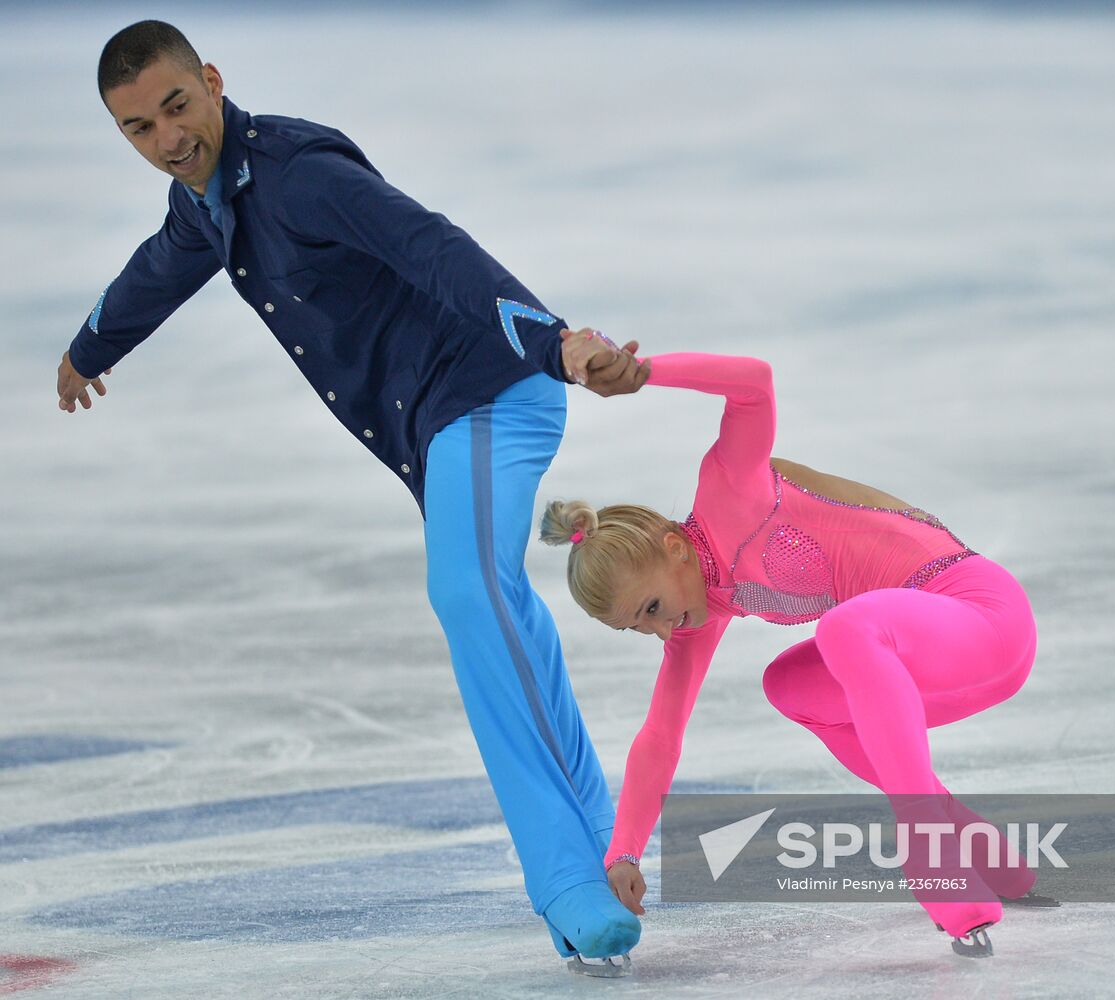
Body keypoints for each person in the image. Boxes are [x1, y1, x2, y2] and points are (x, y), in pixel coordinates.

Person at [56, 20, 651, 975]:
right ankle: (595, 852)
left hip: (490, 390)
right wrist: (90, 347)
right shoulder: (205, 201)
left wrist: (554, 341)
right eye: (137, 128)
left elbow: (434, 248)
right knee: (500, 613)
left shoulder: (299, 173)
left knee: (470, 594)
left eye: (176, 105)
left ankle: (568, 880)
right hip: (442, 428)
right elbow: (161, 267)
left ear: (212, 82)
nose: (167, 137)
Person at [541, 338, 1052, 958]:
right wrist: (622, 851)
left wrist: (646, 373)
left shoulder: (730, 486)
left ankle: (930, 849)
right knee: (791, 684)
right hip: (926, 663)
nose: (661, 632)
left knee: (844, 632)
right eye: (639, 629)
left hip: (981, 615)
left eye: (651, 609)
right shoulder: (699, 621)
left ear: (673, 547)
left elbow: (753, 382)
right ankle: (973, 844)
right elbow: (660, 737)